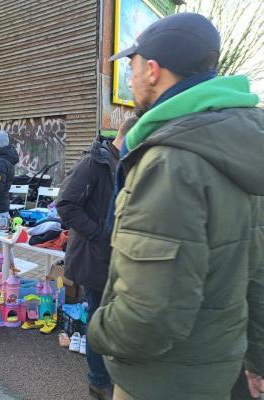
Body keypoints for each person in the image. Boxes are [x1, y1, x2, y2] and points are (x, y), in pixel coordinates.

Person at [87, 13, 264, 400]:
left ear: (152, 71)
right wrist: (258, 361)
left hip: (162, 379)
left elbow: (150, 314)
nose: (129, 79)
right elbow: (258, 274)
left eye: (131, 67)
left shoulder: (171, 162)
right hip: (219, 366)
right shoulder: (242, 143)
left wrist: (98, 330)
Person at [56, 117, 137, 400]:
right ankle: (98, 380)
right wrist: (99, 234)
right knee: (98, 318)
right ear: (128, 136)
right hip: (95, 257)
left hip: (117, 257)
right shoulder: (94, 162)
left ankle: (108, 372)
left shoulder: (125, 163)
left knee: (112, 318)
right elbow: (65, 204)